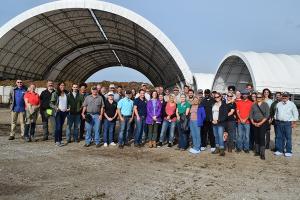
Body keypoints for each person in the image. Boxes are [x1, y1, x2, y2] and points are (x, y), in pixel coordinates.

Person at [274, 92, 299, 157]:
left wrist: (294, 122)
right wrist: (275, 119)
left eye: (286, 96)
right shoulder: (279, 104)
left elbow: (295, 113)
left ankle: (288, 151)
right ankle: (279, 150)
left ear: (288, 97)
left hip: (287, 123)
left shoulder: (292, 104)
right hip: (279, 122)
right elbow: (276, 113)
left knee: (288, 138)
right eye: (283, 96)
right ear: (282, 97)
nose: (284, 97)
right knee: (279, 137)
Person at [249, 92, 270, 160]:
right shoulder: (254, 105)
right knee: (256, 137)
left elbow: (267, 115)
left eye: (260, 97)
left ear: (262, 98)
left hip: (263, 123)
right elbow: (251, 114)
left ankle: (262, 153)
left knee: (261, 137)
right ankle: (257, 151)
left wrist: (260, 122)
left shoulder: (265, 104)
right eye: (257, 97)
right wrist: (253, 122)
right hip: (255, 123)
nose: (258, 98)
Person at [50, 82, 69, 147]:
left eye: (63, 85)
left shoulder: (67, 93)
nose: (62, 86)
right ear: (59, 86)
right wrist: (56, 108)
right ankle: (57, 141)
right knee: (58, 127)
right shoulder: (55, 93)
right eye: (61, 85)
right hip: (58, 112)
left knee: (61, 126)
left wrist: (69, 108)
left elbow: (68, 102)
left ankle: (60, 140)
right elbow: (51, 104)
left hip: (64, 112)